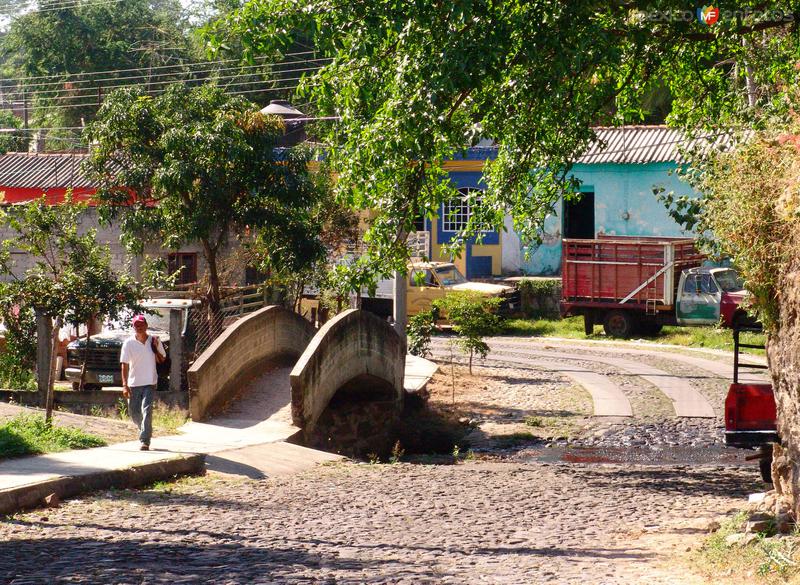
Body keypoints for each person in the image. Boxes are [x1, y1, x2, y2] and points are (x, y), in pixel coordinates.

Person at [120, 315, 166, 451]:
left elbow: (162, 360)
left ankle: (145, 440)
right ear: (133, 327)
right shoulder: (128, 343)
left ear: (146, 325)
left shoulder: (155, 340)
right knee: (134, 412)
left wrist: (155, 349)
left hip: (150, 381)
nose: (139, 327)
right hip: (134, 382)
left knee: (147, 410)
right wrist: (124, 385)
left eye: (141, 324)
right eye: (136, 325)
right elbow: (124, 364)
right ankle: (144, 429)